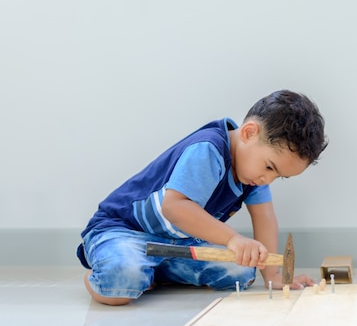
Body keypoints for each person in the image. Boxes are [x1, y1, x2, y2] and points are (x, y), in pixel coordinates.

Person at [76, 89, 328, 305]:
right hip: (123, 230)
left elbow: (265, 217)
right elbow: (175, 208)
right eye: (270, 168)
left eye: (278, 176)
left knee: (240, 273)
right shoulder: (209, 150)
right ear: (249, 133)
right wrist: (233, 239)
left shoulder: (255, 175)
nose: (267, 180)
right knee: (120, 283)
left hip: (178, 245)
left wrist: (272, 275)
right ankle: (108, 270)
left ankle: (154, 271)